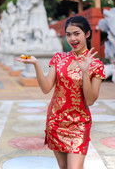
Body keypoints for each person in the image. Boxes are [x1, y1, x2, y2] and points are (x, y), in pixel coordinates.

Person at [15, 16, 105, 169]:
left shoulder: (96, 65)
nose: (72, 38)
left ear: (87, 34)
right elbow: (46, 89)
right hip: (56, 122)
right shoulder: (59, 58)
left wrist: (85, 72)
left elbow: (90, 100)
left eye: (77, 33)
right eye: (68, 34)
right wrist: (36, 64)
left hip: (79, 124)